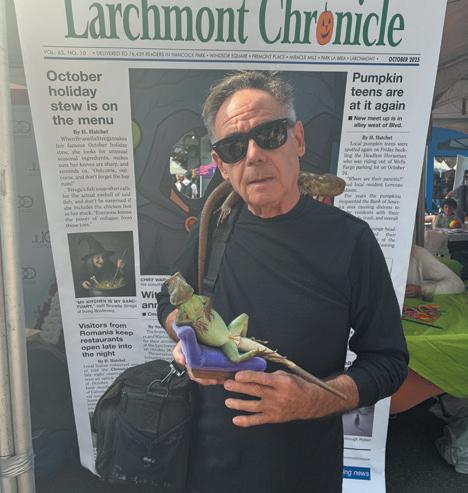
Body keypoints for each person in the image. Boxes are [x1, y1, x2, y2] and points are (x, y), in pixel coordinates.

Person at [157, 71, 408, 493]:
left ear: (298, 139)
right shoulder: (213, 227)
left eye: (269, 134)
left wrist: (314, 398)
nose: (254, 155)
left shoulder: (350, 240)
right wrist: (184, 337)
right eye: (235, 147)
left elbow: (388, 361)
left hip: (303, 472)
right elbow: (167, 302)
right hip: (208, 470)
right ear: (221, 164)